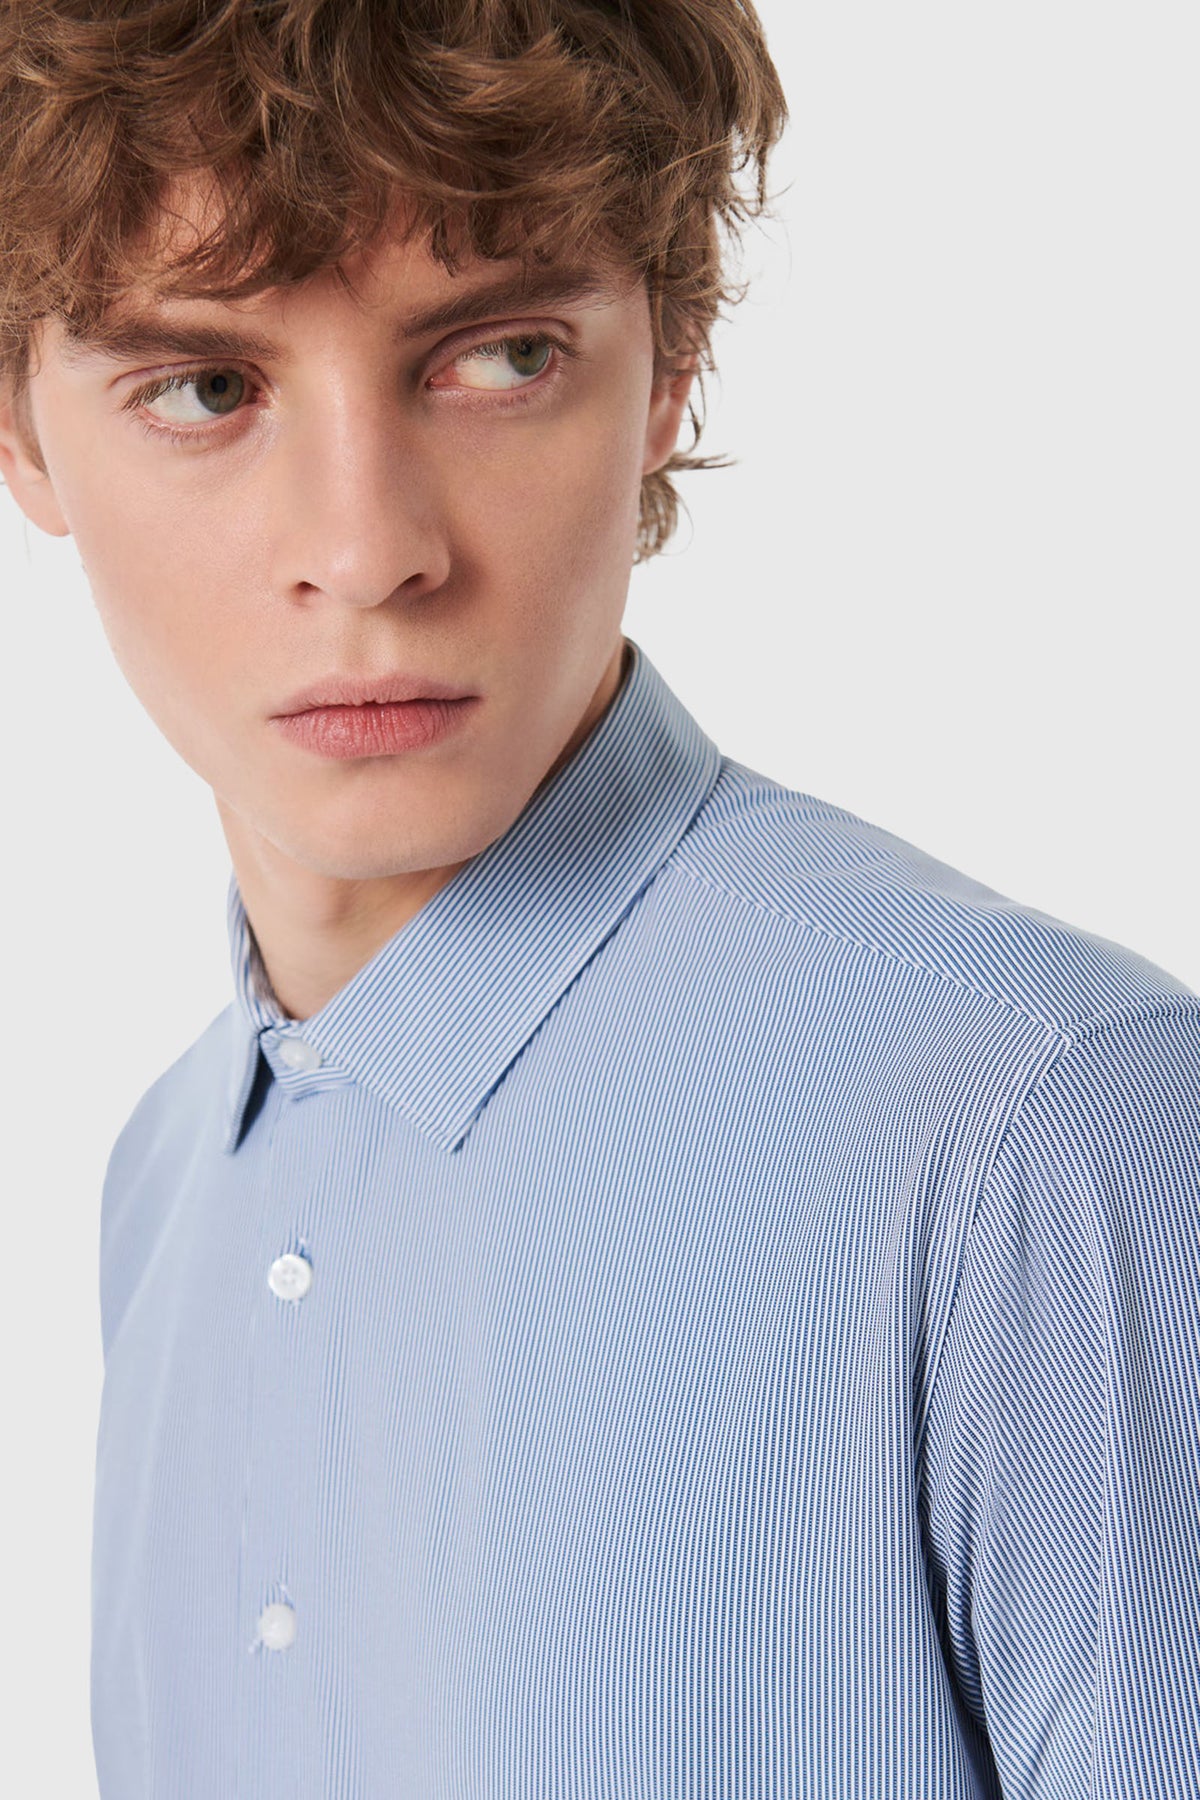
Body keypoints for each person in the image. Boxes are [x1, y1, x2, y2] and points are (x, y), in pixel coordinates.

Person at [2, 2, 1198, 1796]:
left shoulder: (1044, 1126)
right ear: (22, 434)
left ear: (671, 363)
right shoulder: (161, 1184)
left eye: (499, 357)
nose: (370, 550)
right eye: (205, 389)